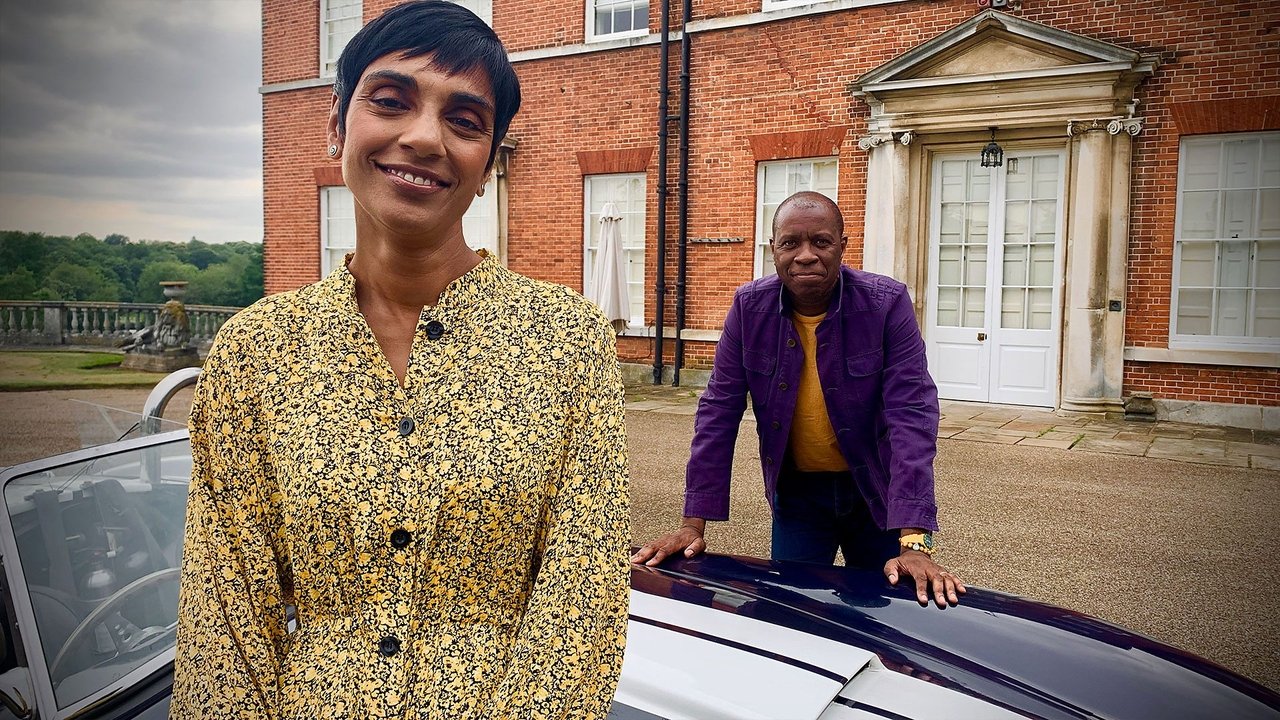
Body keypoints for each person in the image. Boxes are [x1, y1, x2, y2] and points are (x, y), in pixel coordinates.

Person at [171, 3, 629, 718]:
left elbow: (583, 593)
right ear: (336, 125)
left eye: (465, 121)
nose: (423, 137)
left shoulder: (566, 339)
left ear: (486, 165)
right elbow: (222, 617)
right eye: (391, 102)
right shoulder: (256, 352)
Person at [632, 191, 965, 609]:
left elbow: (911, 413)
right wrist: (692, 523)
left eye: (821, 242)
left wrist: (915, 542)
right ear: (774, 249)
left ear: (843, 245)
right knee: (793, 614)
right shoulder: (748, 309)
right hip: (799, 495)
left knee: (891, 611)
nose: (805, 255)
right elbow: (718, 411)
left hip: (875, 492)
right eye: (791, 243)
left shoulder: (886, 305)